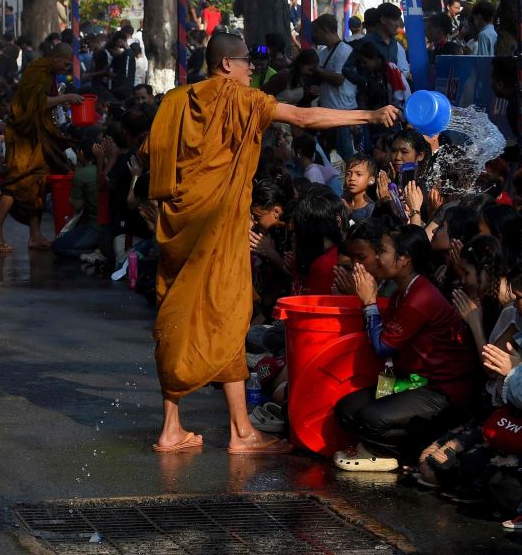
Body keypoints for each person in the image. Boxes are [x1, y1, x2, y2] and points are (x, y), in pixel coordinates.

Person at [143, 31, 398, 453]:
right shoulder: (240, 100)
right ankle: (239, 433)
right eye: (247, 62)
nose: (252, 70)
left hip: (181, 231)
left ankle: (181, 427)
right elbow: (302, 118)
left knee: (177, 318)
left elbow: (152, 156)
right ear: (227, 65)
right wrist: (368, 117)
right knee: (225, 317)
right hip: (217, 230)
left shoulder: (175, 103)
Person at [335, 225, 477, 471]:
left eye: (383, 251)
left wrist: (369, 302)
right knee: (347, 410)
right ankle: (379, 447)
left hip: (442, 390)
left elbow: (382, 348)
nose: (377, 257)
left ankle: (399, 453)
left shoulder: (421, 296)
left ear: (404, 260)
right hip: (412, 381)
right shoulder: (403, 293)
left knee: (372, 417)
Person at [0, 43, 82, 252]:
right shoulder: (38, 72)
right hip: (24, 137)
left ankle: (35, 235)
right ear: (55, 57)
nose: (66, 68)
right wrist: (66, 97)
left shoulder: (48, 72)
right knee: (16, 183)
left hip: (38, 138)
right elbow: (38, 103)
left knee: (40, 183)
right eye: (65, 64)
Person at [311, 14, 358, 162]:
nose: (314, 36)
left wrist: (317, 70)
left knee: (347, 155)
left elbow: (339, 79)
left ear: (325, 30)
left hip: (342, 113)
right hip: (327, 112)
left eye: (316, 31)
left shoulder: (345, 50)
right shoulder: (323, 53)